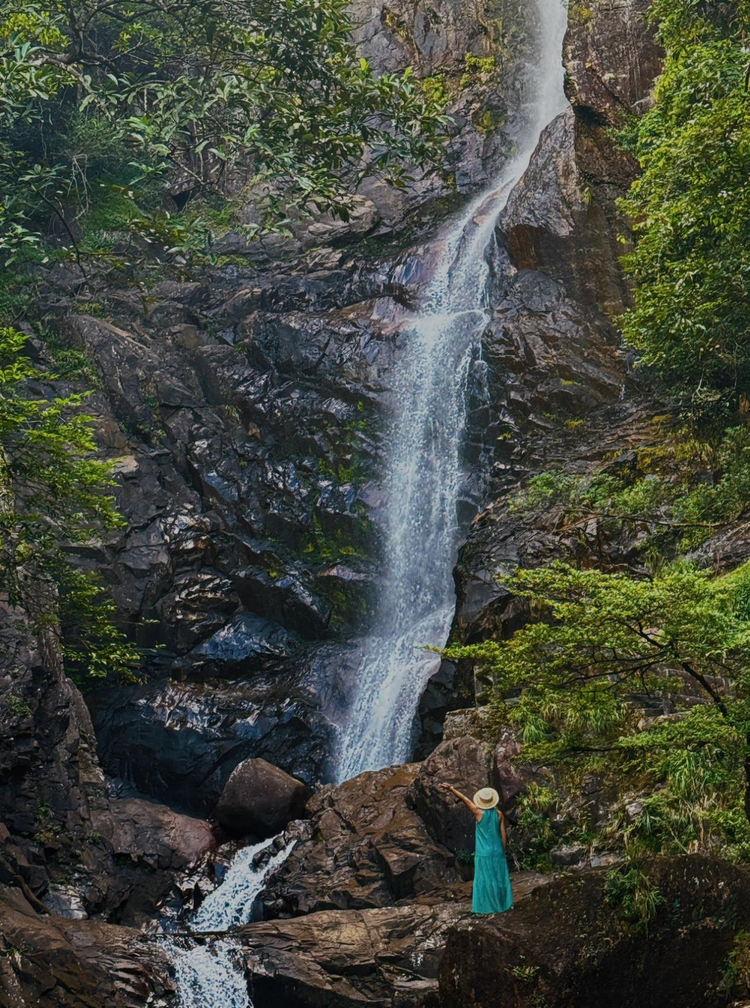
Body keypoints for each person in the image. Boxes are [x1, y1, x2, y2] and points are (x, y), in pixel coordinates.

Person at [440, 782, 513, 914]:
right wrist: (502, 849)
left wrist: (451, 788)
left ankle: (486, 907)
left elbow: (464, 799)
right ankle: (503, 904)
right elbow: (503, 834)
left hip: (483, 852)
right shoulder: (499, 814)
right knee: (498, 877)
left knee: (484, 878)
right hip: (497, 850)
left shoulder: (478, 812)